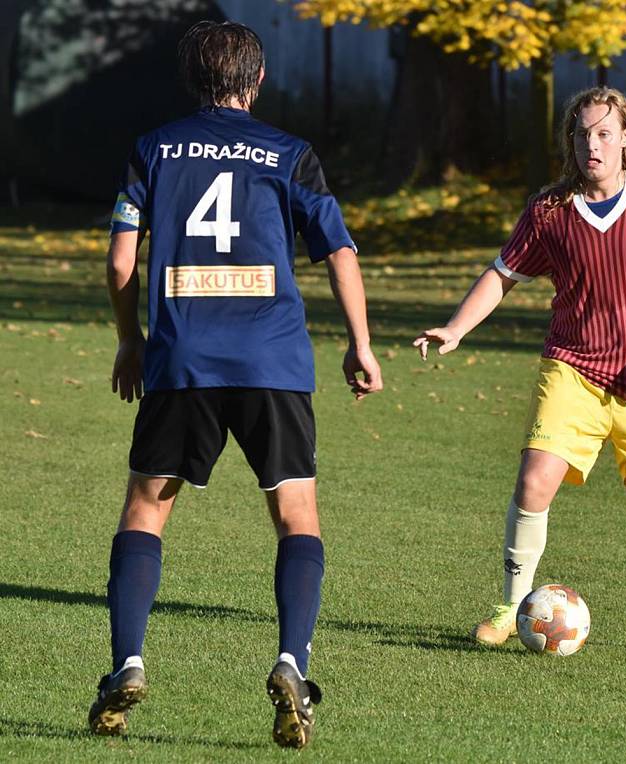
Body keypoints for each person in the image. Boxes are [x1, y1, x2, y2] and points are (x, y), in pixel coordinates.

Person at [89, 21, 382, 749]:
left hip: (183, 360)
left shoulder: (153, 148)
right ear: (256, 81)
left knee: (145, 512)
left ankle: (127, 661)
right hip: (273, 362)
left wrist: (132, 339)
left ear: (193, 81)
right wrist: (361, 345)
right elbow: (340, 252)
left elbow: (122, 265)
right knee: (296, 516)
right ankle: (292, 660)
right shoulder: (288, 153)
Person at [414, 87, 626, 657]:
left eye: (605, 133)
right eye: (582, 134)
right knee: (534, 481)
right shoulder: (549, 211)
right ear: (571, 142)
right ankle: (510, 608)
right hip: (574, 370)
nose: (593, 145)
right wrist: (457, 327)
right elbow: (502, 274)